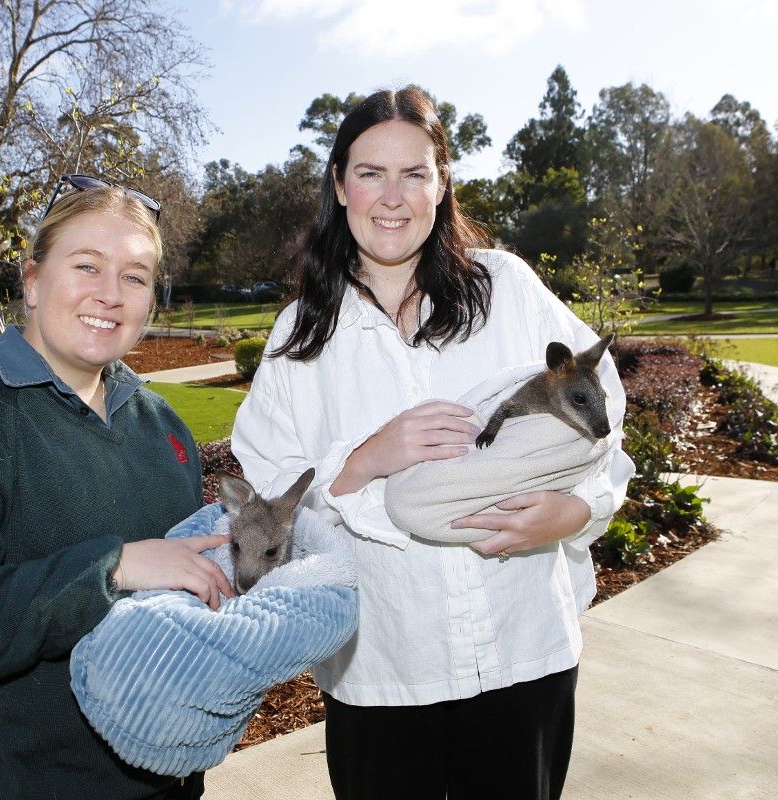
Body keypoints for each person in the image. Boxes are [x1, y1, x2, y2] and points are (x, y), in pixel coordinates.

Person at [231, 87, 635, 800]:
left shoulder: (507, 287)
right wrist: (362, 463)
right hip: (382, 670)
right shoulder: (300, 337)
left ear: (443, 184)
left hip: (522, 656)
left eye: (415, 174)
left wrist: (578, 512)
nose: (393, 198)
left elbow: (603, 409)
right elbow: (267, 505)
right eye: (370, 173)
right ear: (338, 184)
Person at [0, 178, 234, 800]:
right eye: (87, 266)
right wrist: (111, 569)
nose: (110, 294)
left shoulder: (163, 427)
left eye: (135, 276)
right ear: (33, 279)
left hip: (172, 778)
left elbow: (183, 594)